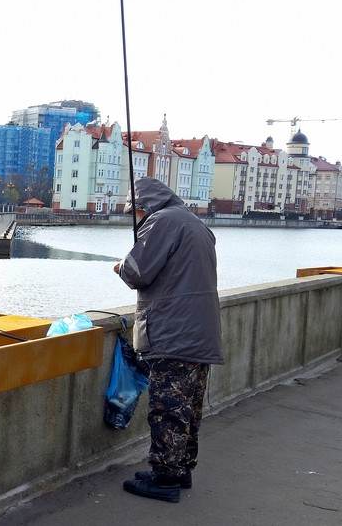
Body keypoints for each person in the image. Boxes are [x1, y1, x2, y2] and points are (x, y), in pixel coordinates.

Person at [113, 177, 224, 503]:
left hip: (174, 333)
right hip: (200, 332)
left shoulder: (161, 222)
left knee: (167, 407)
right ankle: (180, 469)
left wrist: (120, 266)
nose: (134, 217)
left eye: (134, 211)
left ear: (143, 206)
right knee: (189, 408)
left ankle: (164, 479)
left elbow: (136, 273)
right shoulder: (194, 223)